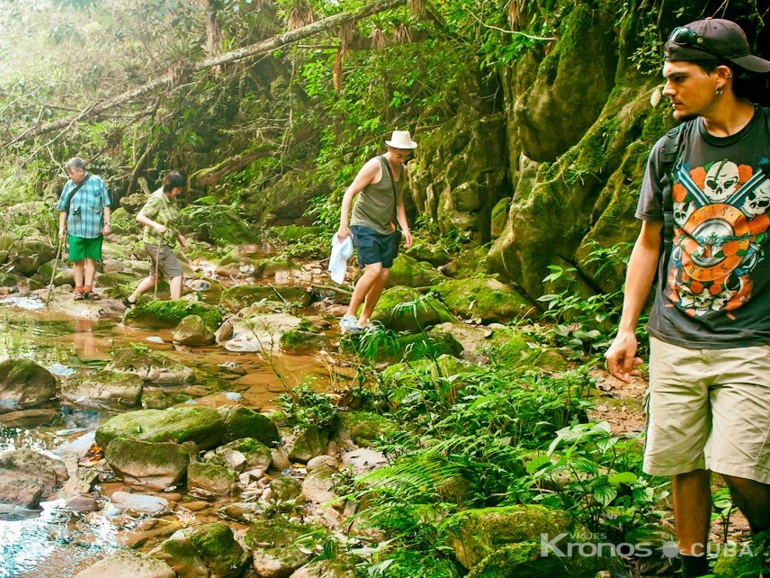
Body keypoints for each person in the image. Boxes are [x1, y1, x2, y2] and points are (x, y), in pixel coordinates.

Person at [604, 18, 770, 578]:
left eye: (678, 78)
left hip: (754, 338)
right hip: (674, 335)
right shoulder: (670, 149)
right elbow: (649, 243)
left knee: (743, 467)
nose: (667, 89)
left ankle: (765, 545)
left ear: (721, 76)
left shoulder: (769, 138)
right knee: (684, 460)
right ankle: (693, 565)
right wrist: (627, 328)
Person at [336, 130, 416, 333]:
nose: (401, 160)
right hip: (364, 223)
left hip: (385, 227)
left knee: (384, 273)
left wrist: (405, 228)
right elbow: (350, 192)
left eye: (405, 156)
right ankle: (349, 316)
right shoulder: (375, 165)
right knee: (373, 270)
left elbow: (398, 202)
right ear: (389, 149)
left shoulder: (403, 171)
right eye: (398, 155)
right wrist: (344, 224)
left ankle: (365, 320)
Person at [123, 171, 188, 307]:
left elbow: (171, 221)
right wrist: (156, 225)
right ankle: (176, 307)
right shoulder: (158, 198)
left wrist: (179, 236)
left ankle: (131, 300)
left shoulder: (172, 199)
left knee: (155, 278)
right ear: (170, 187)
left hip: (164, 243)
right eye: (177, 190)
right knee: (176, 274)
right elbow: (140, 216)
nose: (179, 193)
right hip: (156, 243)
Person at [57, 157, 111, 301]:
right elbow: (63, 209)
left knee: (92, 260)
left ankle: (88, 289)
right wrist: (61, 229)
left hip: (94, 229)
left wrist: (108, 224)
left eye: (71, 173)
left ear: (81, 171)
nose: (70, 176)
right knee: (77, 260)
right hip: (75, 229)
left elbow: (106, 204)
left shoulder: (97, 182)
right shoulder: (69, 185)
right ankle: (78, 290)